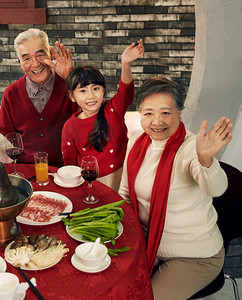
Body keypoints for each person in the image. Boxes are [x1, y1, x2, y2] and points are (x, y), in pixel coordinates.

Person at [118, 77, 233, 299]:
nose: (157, 121)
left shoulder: (192, 148)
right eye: (148, 113)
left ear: (180, 112)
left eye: (166, 112)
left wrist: (206, 160)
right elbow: (125, 194)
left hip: (195, 256)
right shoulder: (136, 142)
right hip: (146, 242)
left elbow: (216, 188)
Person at [61, 40, 144, 191]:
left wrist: (125, 63)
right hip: (93, 182)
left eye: (96, 88)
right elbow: (69, 163)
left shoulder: (113, 110)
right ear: (72, 96)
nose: (91, 96)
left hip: (125, 176)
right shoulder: (70, 127)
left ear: (104, 90)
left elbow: (126, 92)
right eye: (83, 91)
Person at [0, 28, 78, 167]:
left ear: (51, 56)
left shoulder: (71, 86)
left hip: (66, 169)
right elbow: (6, 140)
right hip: (25, 168)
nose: (35, 64)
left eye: (40, 55)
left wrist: (70, 78)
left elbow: (94, 119)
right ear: (20, 62)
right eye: (27, 58)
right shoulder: (10, 94)